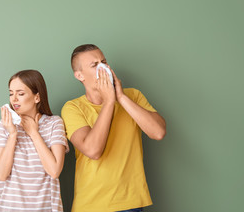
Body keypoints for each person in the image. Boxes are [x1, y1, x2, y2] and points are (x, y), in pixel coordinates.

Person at [61, 44, 166, 212]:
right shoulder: (73, 107)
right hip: (90, 206)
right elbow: (93, 150)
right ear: (79, 75)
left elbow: (158, 132)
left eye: (104, 61)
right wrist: (109, 101)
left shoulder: (133, 96)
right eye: (94, 65)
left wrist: (121, 97)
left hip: (129, 204)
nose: (103, 67)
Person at [0, 70, 69, 212]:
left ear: (37, 97)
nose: (14, 100)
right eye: (11, 93)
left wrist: (33, 133)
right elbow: (1, 174)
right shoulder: (4, 125)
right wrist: (13, 134)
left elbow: (54, 171)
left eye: (20, 94)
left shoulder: (54, 123)